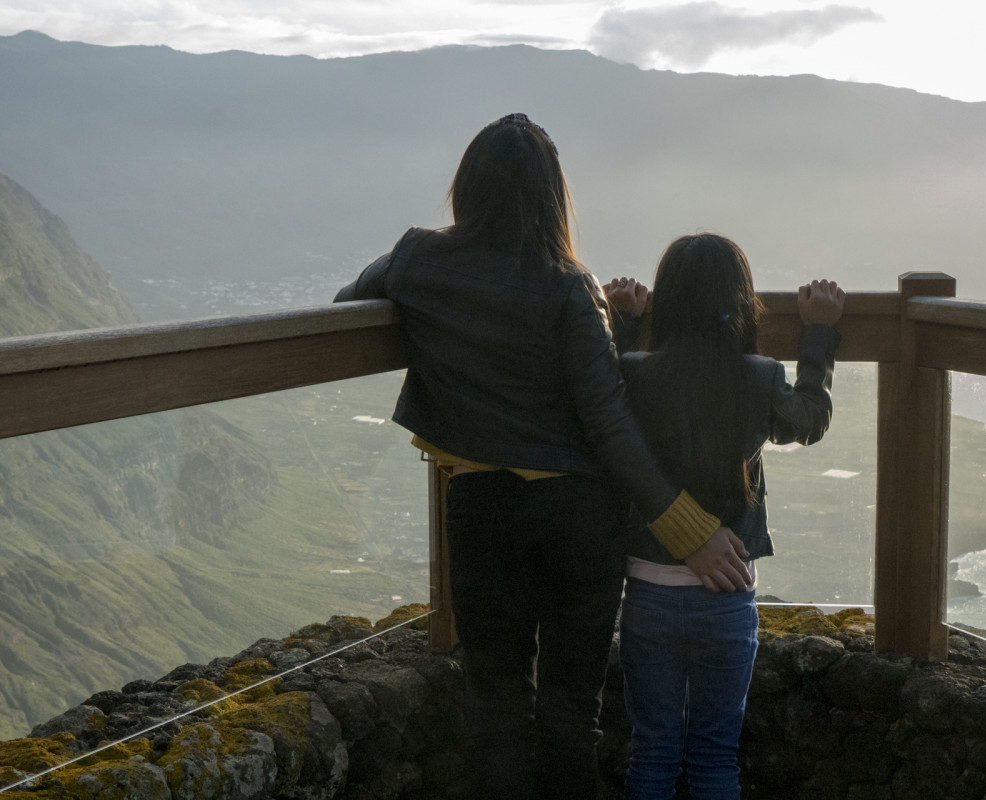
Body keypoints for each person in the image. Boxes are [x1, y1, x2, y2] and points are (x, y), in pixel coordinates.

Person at [332, 115, 750, 800]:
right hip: (578, 519)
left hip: (482, 509)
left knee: (494, 707)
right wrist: (688, 530)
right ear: (554, 197)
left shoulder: (418, 261)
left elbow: (352, 301)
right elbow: (607, 421)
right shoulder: (567, 285)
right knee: (568, 712)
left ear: (467, 187)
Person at [603, 234, 844, 800]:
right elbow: (807, 419)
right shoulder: (758, 377)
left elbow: (604, 401)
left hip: (648, 591)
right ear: (741, 300)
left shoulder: (635, 374)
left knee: (654, 752)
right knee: (714, 756)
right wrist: (818, 334)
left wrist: (624, 323)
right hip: (728, 593)